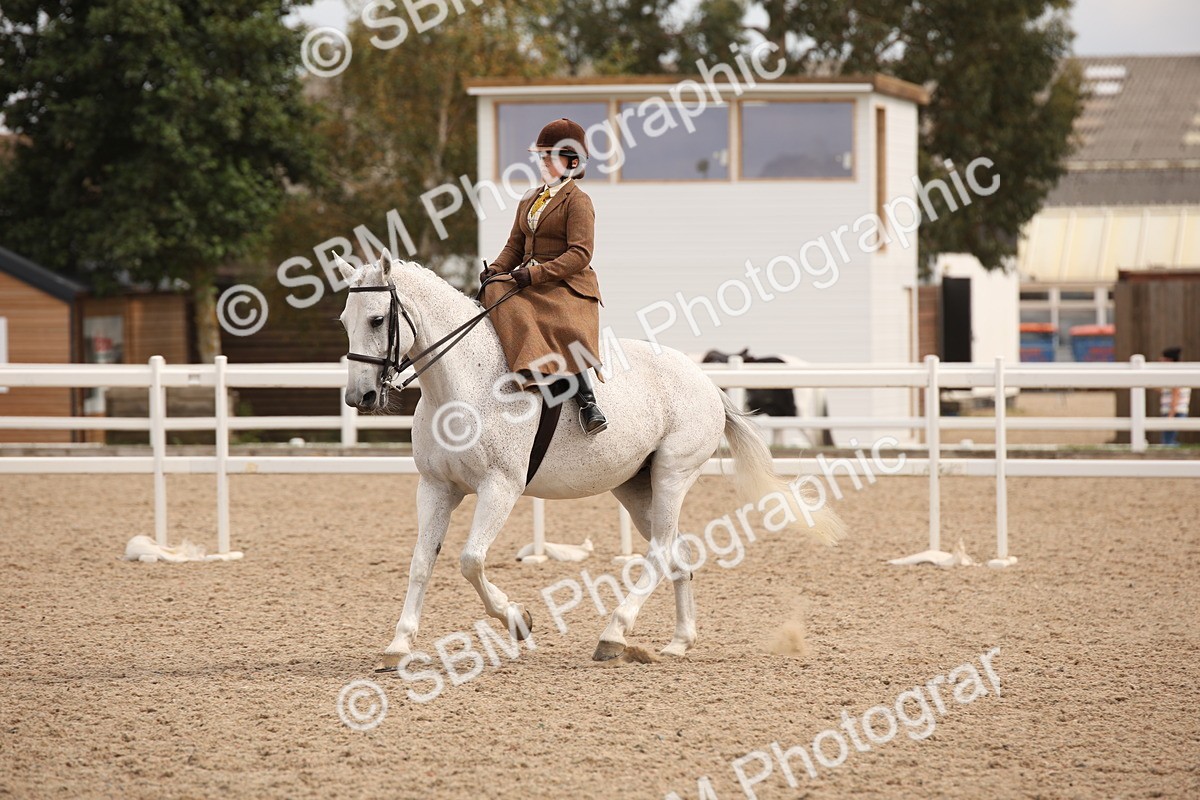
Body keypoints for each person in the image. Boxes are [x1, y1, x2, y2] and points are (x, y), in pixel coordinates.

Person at [480, 117, 608, 434]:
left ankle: (587, 402)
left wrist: (535, 274)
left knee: (553, 322)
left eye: (550, 156)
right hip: (530, 280)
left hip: (567, 285)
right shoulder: (529, 198)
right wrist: (495, 269)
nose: (543, 163)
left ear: (573, 162)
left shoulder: (578, 201)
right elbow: (514, 246)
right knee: (493, 290)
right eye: (542, 156)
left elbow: (580, 254)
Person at [1158, 346, 1190, 446]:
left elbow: (1176, 394)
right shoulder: (1176, 373)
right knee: (1169, 437)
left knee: (1168, 440)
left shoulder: (1175, 374)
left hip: (1174, 410)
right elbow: (1166, 390)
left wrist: (1171, 413)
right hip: (1174, 409)